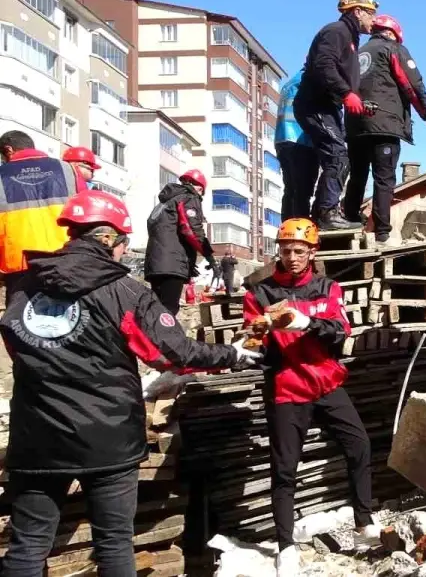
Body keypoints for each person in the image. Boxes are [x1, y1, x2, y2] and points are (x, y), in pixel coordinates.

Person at [0, 189, 260, 577]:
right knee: (114, 544)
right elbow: (174, 353)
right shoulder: (126, 292)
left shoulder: (25, 287)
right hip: (109, 437)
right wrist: (232, 354)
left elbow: (16, 342)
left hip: (38, 435)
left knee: (28, 546)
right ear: (113, 241)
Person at [240, 218, 377, 574]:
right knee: (284, 470)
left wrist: (302, 322)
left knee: (360, 445)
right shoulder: (259, 294)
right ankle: (286, 545)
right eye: (285, 251)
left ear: (313, 252)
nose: (292, 257)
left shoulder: (328, 287)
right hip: (286, 387)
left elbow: (340, 330)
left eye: (299, 251)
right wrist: (256, 337)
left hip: (327, 382)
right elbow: (258, 352)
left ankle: (365, 523)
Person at [343, 13, 426, 243]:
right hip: (385, 123)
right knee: (384, 178)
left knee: (357, 175)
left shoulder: (357, 53)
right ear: (393, 33)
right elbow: (412, 84)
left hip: (356, 123)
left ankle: (350, 219)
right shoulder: (392, 49)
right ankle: (382, 231)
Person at [294, 0, 378, 230]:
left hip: (325, 106)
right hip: (315, 105)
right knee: (337, 156)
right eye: (371, 13)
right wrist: (345, 94)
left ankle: (321, 211)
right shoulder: (337, 31)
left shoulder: (349, 38)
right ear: (357, 11)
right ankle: (326, 214)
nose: (374, 20)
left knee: (340, 158)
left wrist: (357, 100)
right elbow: (324, 65)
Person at [0, 131, 82, 287]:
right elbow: (85, 212)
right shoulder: (67, 169)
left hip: (19, 265)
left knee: (23, 311)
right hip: (65, 259)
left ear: (9, 150)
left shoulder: (1, 175)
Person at [145, 169, 214, 314]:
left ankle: (151, 336)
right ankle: (164, 336)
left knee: (157, 310)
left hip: (155, 264)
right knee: (168, 311)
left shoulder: (163, 204)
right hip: (172, 266)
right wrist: (209, 256)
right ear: (200, 188)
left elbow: (168, 233)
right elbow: (191, 229)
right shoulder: (189, 197)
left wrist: (189, 262)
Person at [275, 71, 317, 220]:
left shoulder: (290, 83)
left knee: (291, 188)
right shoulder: (310, 78)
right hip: (299, 139)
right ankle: (301, 225)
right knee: (302, 189)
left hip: (282, 138)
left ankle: (287, 225)